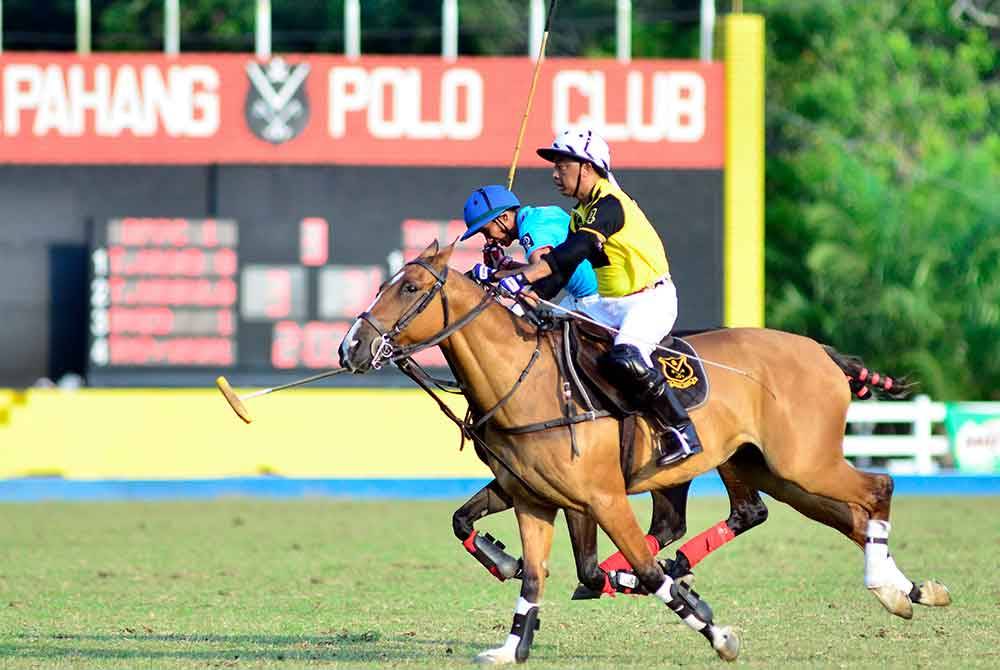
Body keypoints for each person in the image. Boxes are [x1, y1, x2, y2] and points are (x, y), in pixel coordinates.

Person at [485, 129, 702, 466]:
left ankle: (682, 429)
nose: (555, 174)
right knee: (553, 340)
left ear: (586, 167)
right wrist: (514, 286)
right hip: (610, 305)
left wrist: (522, 277)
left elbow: (577, 249)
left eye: (562, 166)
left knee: (626, 356)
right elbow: (559, 273)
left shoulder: (611, 204)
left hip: (650, 301)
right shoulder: (581, 214)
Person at [460, 185, 597, 307]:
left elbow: (542, 274)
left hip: (595, 301)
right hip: (584, 296)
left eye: (486, 231)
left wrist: (493, 275)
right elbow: (548, 267)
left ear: (504, 217)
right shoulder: (541, 213)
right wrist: (506, 265)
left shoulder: (532, 229)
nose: (488, 240)